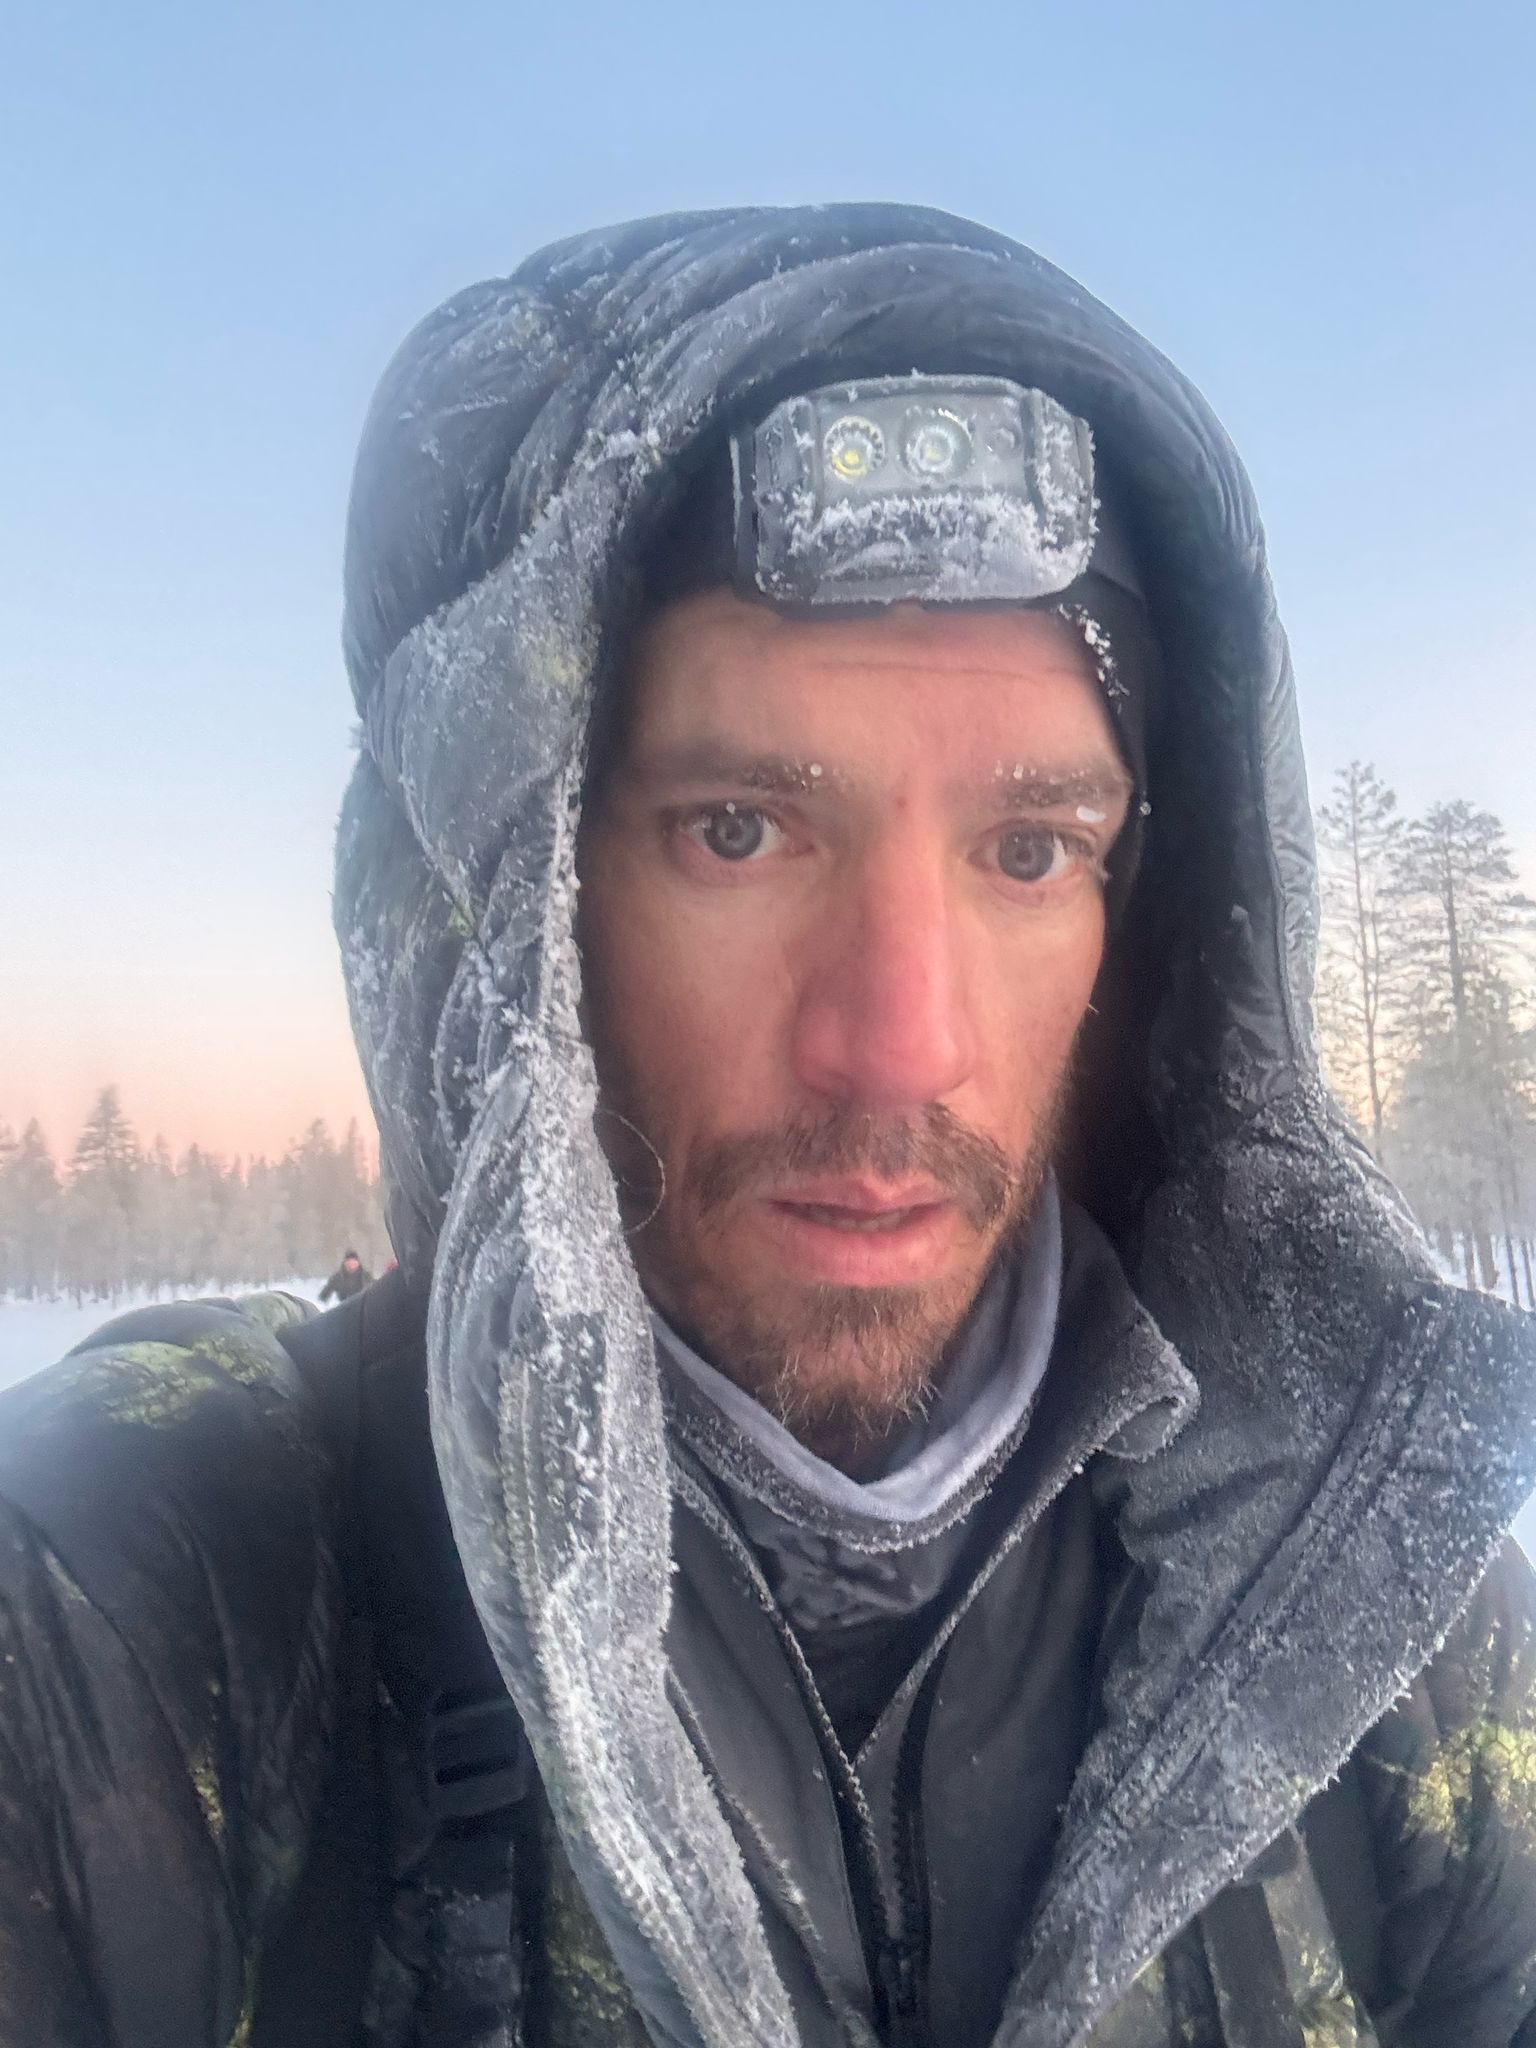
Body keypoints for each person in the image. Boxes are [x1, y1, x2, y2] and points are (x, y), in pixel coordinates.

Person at [2, 205, 1536, 2048]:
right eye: (739, 828)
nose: (899, 1047)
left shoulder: (1379, 1634)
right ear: (508, 908)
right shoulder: (143, 1609)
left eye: (1030, 851)